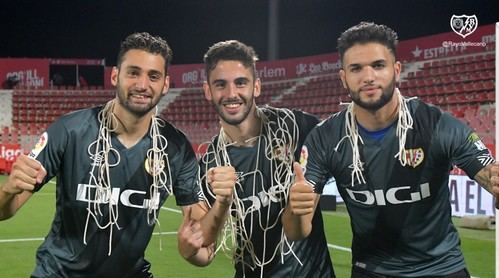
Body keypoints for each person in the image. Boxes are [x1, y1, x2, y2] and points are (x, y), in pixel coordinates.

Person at [286, 22, 499, 277]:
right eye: (356, 68)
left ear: (396, 70)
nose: (368, 77)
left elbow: (490, 175)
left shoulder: (438, 126)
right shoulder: (325, 138)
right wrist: (295, 210)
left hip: (442, 270)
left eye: (378, 65)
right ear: (344, 78)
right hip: (371, 271)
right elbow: (296, 230)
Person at [0, 32, 217, 277]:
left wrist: (221, 207)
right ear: (115, 75)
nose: (142, 84)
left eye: (153, 76)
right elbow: (5, 210)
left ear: (165, 84)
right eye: (133, 72)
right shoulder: (70, 130)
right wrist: (9, 190)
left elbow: (201, 242)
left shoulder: (175, 147)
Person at [177, 40, 334, 277]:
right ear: (208, 91)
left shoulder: (299, 128)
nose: (231, 94)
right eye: (221, 84)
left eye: (241, 82)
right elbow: (204, 249)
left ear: (256, 86)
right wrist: (190, 247)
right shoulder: (209, 166)